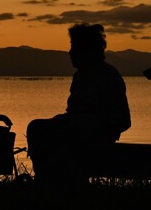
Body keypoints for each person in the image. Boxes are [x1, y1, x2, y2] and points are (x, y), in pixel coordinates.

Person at [26, 23, 131, 182]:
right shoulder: (80, 76)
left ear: (87, 50)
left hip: (95, 139)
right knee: (36, 127)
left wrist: (86, 127)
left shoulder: (108, 76)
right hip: (75, 130)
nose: (70, 52)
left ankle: (57, 185)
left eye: (74, 47)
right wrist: (65, 122)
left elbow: (122, 120)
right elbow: (74, 113)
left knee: (60, 142)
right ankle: (42, 179)